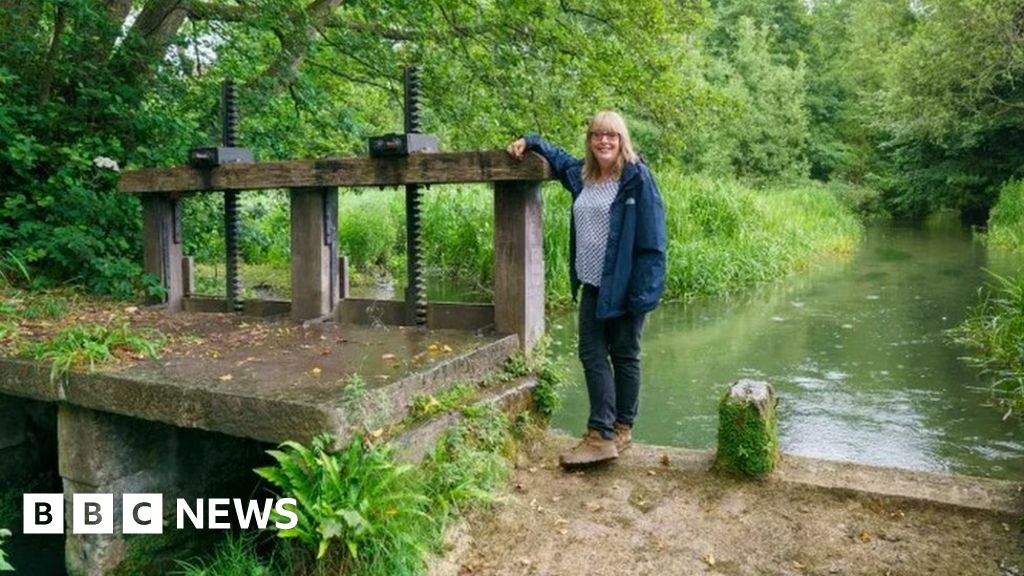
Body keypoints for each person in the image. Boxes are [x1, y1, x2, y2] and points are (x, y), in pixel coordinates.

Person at [506, 111, 667, 467]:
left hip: (625, 286)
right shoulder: (584, 176)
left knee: (624, 355)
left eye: (611, 136)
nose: (604, 142)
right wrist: (530, 140)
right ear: (590, 140)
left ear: (622, 140)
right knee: (593, 353)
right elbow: (558, 158)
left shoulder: (637, 178)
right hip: (593, 284)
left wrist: (643, 295)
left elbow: (654, 241)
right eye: (597, 135)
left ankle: (611, 432)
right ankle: (606, 432)